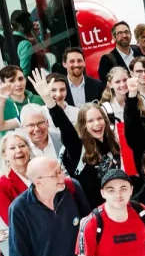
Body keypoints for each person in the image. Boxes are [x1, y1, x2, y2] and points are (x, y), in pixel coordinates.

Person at [32, 73, 122, 207]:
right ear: (83, 125)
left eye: (99, 118)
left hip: (118, 204)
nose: (97, 123)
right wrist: (48, 99)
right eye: (90, 121)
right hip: (93, 211)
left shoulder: (112, 142)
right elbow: (64, 125)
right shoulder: (78, 146)